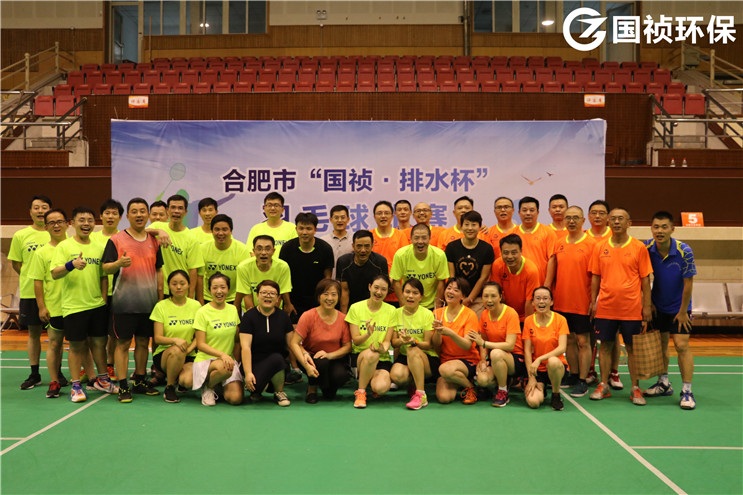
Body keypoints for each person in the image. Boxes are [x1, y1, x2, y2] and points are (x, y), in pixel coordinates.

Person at [52, 206, 118, 402]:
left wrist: (103, 301)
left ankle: (102, 380)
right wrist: (71, 265)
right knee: (76, 346)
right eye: (82, 220)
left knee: (100, 344)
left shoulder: (99, 247)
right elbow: (55, 273)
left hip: (97, 305)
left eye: (90, 220)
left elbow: (103, 276)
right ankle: (76, 386)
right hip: (74, 306)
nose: (86, 224)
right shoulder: (64, 246)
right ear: (72, 223)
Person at [589, 207, 653, 406]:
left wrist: (646, 307)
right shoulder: (600, 247)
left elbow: (645, 280)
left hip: (631, 308)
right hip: (606, 307)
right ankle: (603, 384)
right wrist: (593, 302)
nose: (616, 222)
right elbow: (595, 277)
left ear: (629, 223)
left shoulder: (638, 247)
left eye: (621, 219)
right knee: (605, 346)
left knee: (633, 349)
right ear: (608, 222)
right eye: (613, 219)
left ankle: (635, 388)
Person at [102, 198, 164, 402]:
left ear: (148, 215)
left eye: (142, 211)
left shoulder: (154, 240)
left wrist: (160, 298)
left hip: (148, 303)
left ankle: (139, 380)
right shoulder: (116, 240)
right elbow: (105, 268)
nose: (139, 215)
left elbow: (159, 270)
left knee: (144, 342)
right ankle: (122, 386)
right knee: (122, 344)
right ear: (127, 216)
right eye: (134, 211)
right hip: (124, 303)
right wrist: (118, 263)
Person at [643, 211, 697, 410]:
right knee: (661, 346)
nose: (660, 231)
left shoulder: (684, 251)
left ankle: (687, 390)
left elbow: (688, 283)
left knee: (681, 345)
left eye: (664, 227)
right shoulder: (646, 248)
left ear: (672, 229)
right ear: (651, 229)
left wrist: (683, 311)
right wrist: (648, 303)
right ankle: (663, 383)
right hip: (658, 305)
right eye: (656, 227)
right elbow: (643, 278)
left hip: (679, 307)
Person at [552, 206, 597, 398]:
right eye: (568, 218)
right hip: (562, 301)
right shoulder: (559, 242)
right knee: (569, 340)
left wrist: (593, 301)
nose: (571, 221)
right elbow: (554, 269)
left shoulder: (591, 244)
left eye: (575, 218)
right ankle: (573, 374)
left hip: (582, 301)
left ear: (583, 221)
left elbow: (596, 276)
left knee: (583, 341)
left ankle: (583, 380)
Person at [9, 195, 52, 390]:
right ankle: (34, 374)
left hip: (54, 293)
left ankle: (56, 374)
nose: (40, 211)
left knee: (55, 335)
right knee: (34, 333)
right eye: (36, 207)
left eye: (44, 207)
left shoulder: (57, 234)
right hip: (29, 292)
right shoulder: (21, 235)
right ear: (30, 212)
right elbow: (16, 264)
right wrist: (31, 277)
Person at [27, 209, 69, 398]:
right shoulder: (41, 253)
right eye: (52, 223)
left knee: (81, 345)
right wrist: (42, 307)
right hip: (55, 306)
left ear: (67, 223)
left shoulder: (75, 246)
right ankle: (54, 381)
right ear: (46, 227)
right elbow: (38, 282)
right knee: (54, 343)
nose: (56, 225)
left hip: (77, 305)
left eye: (60, 221)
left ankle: (82, 380)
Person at [289, 279, 351, 403]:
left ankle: (326, 387)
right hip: (311, 357)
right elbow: (294, 343)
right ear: (319, 296)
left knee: (341, 377)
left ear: (339, 297)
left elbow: (347, 347)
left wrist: (329, 355)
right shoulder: (308, 316)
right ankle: (312, 388)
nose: (330, 298)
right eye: (326, 294)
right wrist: (306, 365)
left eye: (334, 294)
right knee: (321, 362)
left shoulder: (343, 318)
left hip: (333, 358)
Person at [469, 282, 525, 407]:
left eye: (493, 296)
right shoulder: (484, 314)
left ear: (500, 297)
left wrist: (484, 343)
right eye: (486, 296)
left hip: (515, 359)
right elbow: (482, 342)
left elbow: (510, 345)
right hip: (496, 359)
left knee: (496, 353)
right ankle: (505, 380)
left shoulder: (510, 313)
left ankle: (503, 391)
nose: (489, 300)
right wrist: (483, 360)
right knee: (482, 380)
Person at [239, 280, 294, 407]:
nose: (268, 296)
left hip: (278, 363)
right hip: (254, 362)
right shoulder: (248, 317)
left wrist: (304, 358)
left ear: (278, 298)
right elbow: (245, 347)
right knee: (256, 388)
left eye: (272, 293)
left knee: (277, 358)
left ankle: (279, 392)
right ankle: (261, 387)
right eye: (264, 293)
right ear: (257, 296)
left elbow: (292, 344)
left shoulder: (283, 317)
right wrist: (248, 373)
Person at [150, 270, 201, 403]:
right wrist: (174, 340)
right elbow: (158, 338)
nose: (178, 287)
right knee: (177, 350)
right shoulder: (161, 306)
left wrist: (188, 350)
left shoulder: (196, 306)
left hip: (188, 354)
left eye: (182, 283)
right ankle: (170, 387)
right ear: (169, 286)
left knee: (188, 382)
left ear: (188, 285)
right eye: (174, 284)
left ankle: (179, 379)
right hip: (165, 355)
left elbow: (199, 336)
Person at [346, 275, 397, 408]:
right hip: (361, 357)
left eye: (383, 289)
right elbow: (356, 341)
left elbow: (387, 341)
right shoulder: (355, 308)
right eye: (376, 287)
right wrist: (368, 334)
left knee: (380, 388)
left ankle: (370, 378)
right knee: (371, 354)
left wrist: (382, 349)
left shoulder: (391, 311)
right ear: (370, 287)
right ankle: (361, 392)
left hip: (382, 358)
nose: (379, 292)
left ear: (388, 291)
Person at [193, 272, 243, 406]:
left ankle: (218, 384)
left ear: (228, 289)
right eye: (215, 288)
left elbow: (236, 339)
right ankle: (208, 387)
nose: (219, 291)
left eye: (223, 287)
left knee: (236, 398)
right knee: (225, 368)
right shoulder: (202, 312)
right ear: (209, 290)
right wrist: (222, 355)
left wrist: (236, 360)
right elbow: (200, 344)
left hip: (228, 360)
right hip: (206, 360)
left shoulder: (233, 310)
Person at [389, 278, 439, 410]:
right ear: (402, 294)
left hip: (426, 358)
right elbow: (394, 343)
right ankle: (414, 383)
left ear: (421, 297)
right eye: (407, 292)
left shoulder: (427, 314)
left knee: (412, 349)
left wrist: (414, 342)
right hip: (405, 357)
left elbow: (428, 344)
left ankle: (421, 395)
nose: (410, 296)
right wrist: (402, 340)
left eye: (415, 293)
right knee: (397, 376)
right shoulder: (396, 313)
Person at [432, 277, 481, 405]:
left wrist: (451, 333)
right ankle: (461, 383)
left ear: (463, 296)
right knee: (444, 398)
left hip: (467, 361)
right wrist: (437, 332)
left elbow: (467, 345)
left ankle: (471, 388)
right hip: (446, 361)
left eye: (456, 290)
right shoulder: (437, 312)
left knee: (445, 370)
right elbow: (436, 344)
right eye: (449, 288)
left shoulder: (470, 315)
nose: (450, 292)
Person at [91, 198, 124, 380]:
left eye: (114, 213)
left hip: (118, 293)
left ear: (120, 217)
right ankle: (91, 367)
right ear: (101, 216)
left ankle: (110, 365)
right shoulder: (92, 238)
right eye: (107, 213)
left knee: (114, 334)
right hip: (95, 293)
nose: (111, 217)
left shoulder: (124, 238)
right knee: (95, 334)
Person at [280, 212, 334, 323]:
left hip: (317, 302)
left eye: (309, 229)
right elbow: (282, 279)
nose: (304, 232)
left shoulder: (325, 249)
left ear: (315, 230)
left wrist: (323, 303)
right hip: (293, 303)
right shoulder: (287, 248)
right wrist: (288, 303)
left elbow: (327, 280)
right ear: (296, 229)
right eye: (301, 228)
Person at [522, 287, 569, 411]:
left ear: (551, 302)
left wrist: (540, 359)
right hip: (537, 370)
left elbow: (562, 347)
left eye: (545, 298)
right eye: (537, 298)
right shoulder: (528, 321)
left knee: (552, 361)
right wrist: (531, 377)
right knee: (534, 402)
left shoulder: (560, 320)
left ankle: (556, 394)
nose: (541, 302)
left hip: (557, 367)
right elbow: (527, 351)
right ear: (533, 302)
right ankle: (542, 388)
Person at [149, 194, 204, 299]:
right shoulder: (157, 226)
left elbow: (193, 270)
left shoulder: (191, 238)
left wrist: (190, 295)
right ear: (167, 210)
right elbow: (139, 233)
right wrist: (158, 231)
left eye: (180, 208)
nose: (176, 211)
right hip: (157, 289)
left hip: (180, 291)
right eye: (173, 207)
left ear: (185, 212)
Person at [584, 199, 615, 385]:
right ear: (588, 216)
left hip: (612, 295)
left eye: (601, 213)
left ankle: (614, 372)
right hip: (588, 293)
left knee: (612, 337)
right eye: (594, 213)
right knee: (590, 335)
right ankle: (590, 369)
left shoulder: (615, 236)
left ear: (608, 217)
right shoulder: (583, 237)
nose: (597, 216)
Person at [445, 210, 495, 314]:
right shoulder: (451, 247)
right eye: (466, 224)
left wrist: (469, 299)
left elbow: (483, 278)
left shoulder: (487, 249)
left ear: (480, 227)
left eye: (474, 225)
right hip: (456, 295)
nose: (470, 228)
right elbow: (451, 276)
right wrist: (457, 296)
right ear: (461, 226)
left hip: (477, 298)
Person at [390, 224, 449, 310]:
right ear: (411, 239)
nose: (420, 241)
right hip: (409, 303)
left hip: (431, 305)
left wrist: (437, 305)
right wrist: (403, 303)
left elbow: (441, 281)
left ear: (429, 239)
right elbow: (396, 281)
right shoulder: (400, 255)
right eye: (416, 238)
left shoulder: (439, 255)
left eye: (424, 238)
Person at [198, 214, 250, 305]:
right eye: (217, 229)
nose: (221, 233)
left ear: (231, 231)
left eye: (225, 229)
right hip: (209, 298)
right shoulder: (202, 249)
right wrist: (201, 302)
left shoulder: (242, 250)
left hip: (233, 298)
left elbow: (244, 281)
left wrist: (236, 305)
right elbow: (199, 277)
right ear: (211, 231)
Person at [234, 235, 292, 313]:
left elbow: (280, 295)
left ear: (273, 251)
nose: (263, 253)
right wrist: (255, 316)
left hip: (274, 311)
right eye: (259, 249)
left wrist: (271, 315)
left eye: (268, 249)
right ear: (254, 251)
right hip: (252, 311)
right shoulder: (243, 267)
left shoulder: (282, 267)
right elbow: (247, 296)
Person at [490, 234, 540, 323]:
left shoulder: (531, 270)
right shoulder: (497, 265)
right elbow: (498, 295)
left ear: (521, 251)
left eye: (514, 252)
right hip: (506, 314)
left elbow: (529, 302)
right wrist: (504, 318)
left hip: (526, 315)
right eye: (506, 253)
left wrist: (527, 326)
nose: (510, 257)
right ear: (501, 252)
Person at [336, 230, 389, 313]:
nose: (363, 250)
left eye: (367, 246)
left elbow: (381, 290)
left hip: (373, 305)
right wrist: (344, 316)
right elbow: (344, 291)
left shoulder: (380, 262)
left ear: (372, 246)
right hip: (351, 305)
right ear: (353, 246)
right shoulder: (343, 262)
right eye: (359, 246)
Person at [515, 196, 557, 287]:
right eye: (524, 210)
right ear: (519, 213)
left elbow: (552, 259)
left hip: (541, 284)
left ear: (537, 212)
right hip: (517, 284)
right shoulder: (512, 233)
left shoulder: (548, 232)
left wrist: (547, 285)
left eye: (532, 210)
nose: (528, 213)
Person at [246, 192, 297, 258]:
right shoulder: (256, 229)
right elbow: (251, 252)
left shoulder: (292, 228)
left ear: (282, 209)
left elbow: (296, 251)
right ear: (264, 208)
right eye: (269, 205)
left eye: (276, 205)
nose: (272, 208)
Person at [371, 200, 409, 273]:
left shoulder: (401, 235)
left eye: (386, 213)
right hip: (374, 277)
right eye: (379, 213)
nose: (383, 216)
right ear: (374, 217)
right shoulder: (369, 235)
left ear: (392, 216)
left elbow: (405, 260)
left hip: (396, 277)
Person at [321, 205, 353, 277]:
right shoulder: (323, 241)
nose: (339, 220)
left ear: (348, 219)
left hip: (347, 281)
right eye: (336, 218)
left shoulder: (353, 241)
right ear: (331, 220)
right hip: (328, 281)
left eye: (343, 217)